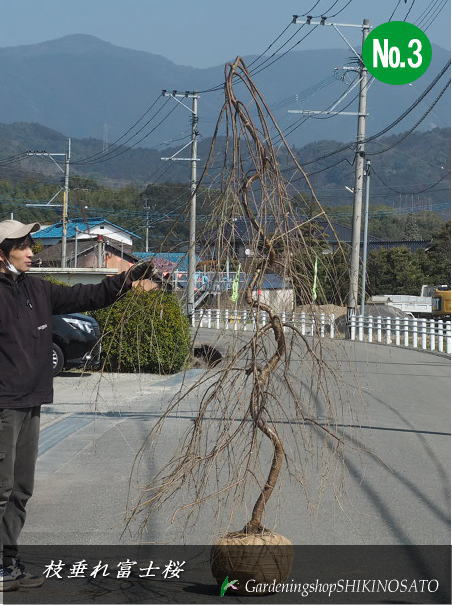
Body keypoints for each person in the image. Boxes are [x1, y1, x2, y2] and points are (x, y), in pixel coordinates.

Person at [0, 220, 158, 591]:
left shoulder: (36, 289)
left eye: (30, 245)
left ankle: (8, 561)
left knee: (20, 488)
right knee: (0, 488)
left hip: (32, 399)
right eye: (22, 246)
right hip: (3, 404)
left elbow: (85, 297)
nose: (30, 252)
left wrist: (128, 278)